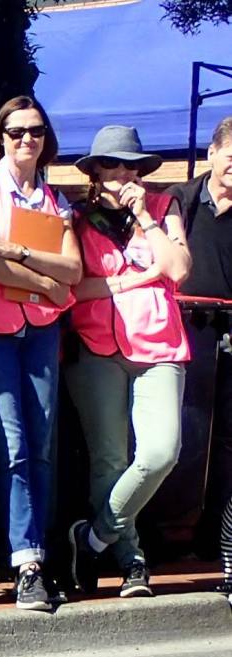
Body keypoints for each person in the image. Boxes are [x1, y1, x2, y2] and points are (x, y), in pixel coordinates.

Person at [0, 95, 81, 612]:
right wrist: (47, 283)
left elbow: (74, 268)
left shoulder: (53, 198)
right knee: (13, 444)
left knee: (41, 443)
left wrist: (20, 253)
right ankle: (24, 562)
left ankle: (38, 557)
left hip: (40, 329)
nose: (28, 139)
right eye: (17, 131)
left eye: (37, 131)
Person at [66, 126, 193, 599]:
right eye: (111, 164)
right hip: (97, 347)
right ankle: (131, 560)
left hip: (160, 347)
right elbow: (74, 288)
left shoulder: (163, 206)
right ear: (95, 172)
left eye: (130, 165)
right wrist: (138, 279)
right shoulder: (76, 219)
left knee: (161, 452)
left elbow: (177, 269)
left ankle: (93, 538)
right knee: (110, 459)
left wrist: (145, 217)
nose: (121, 173)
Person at [172, 115, 232, 590]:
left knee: (230, 440)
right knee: (184, 433)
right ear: (212, 154)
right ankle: (165, 532)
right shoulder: (182, 201)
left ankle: (217, 535)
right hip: (187, 329)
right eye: (231, 158)